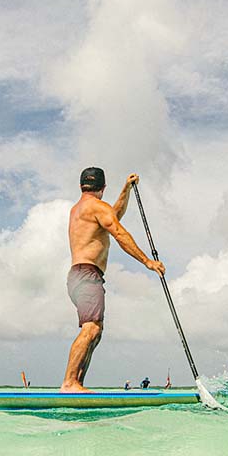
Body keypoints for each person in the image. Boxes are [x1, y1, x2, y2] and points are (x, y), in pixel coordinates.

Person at [60, 167, 165, 391]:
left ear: (82, 186)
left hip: (78, 275)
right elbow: (119, 232)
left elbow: (113, 215)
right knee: (91, 329)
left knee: (95, 331)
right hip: (87, 275)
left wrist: (126, 189)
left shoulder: (80, 208)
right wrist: (147, 261)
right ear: (103, 188)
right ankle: (69, 383)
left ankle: (77, 384)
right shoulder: (98, 207)